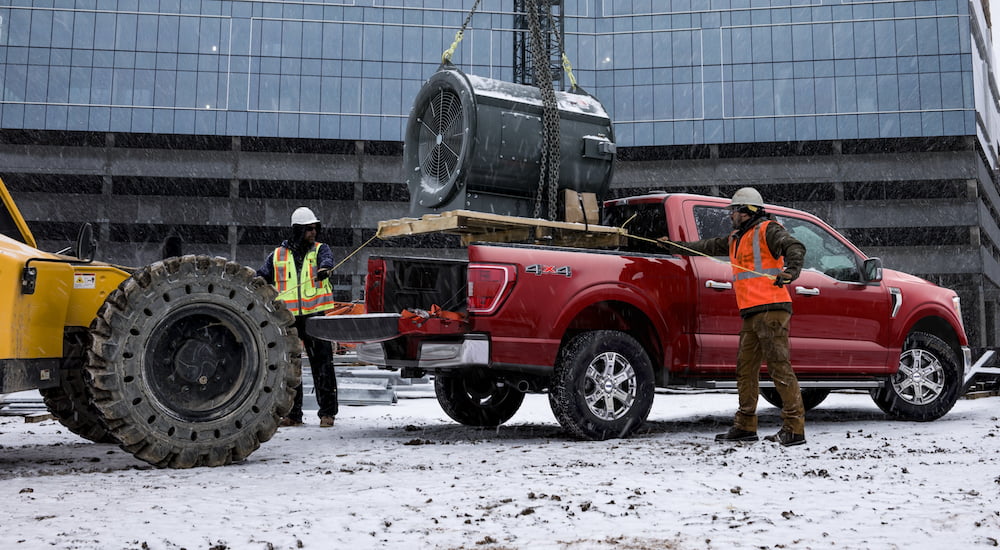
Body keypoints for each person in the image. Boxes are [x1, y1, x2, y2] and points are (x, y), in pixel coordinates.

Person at [661, 187, 807, 446]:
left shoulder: (768, 230)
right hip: (751, 312)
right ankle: (746, 426)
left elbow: (794, 246)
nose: (730, 215)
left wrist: (791, 271)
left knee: (779, 368)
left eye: (734, 211)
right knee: (746, 370)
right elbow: (704, 246)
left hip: (772, 309)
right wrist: (674, 246)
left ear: (748, 211)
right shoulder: (736, 237)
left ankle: (794, 429)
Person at [257, 206, 339, 428]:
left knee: (323, 364)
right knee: (290, 367)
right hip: (288, 319)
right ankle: (293, 414)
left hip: (315, 316)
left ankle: (327, 413)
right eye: (309, 229)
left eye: (315, 228)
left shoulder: (321, 250)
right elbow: (260, 278)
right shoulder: (277, 255)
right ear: (297, 230)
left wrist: (325, 269)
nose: (314, 232)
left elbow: (327, 260)